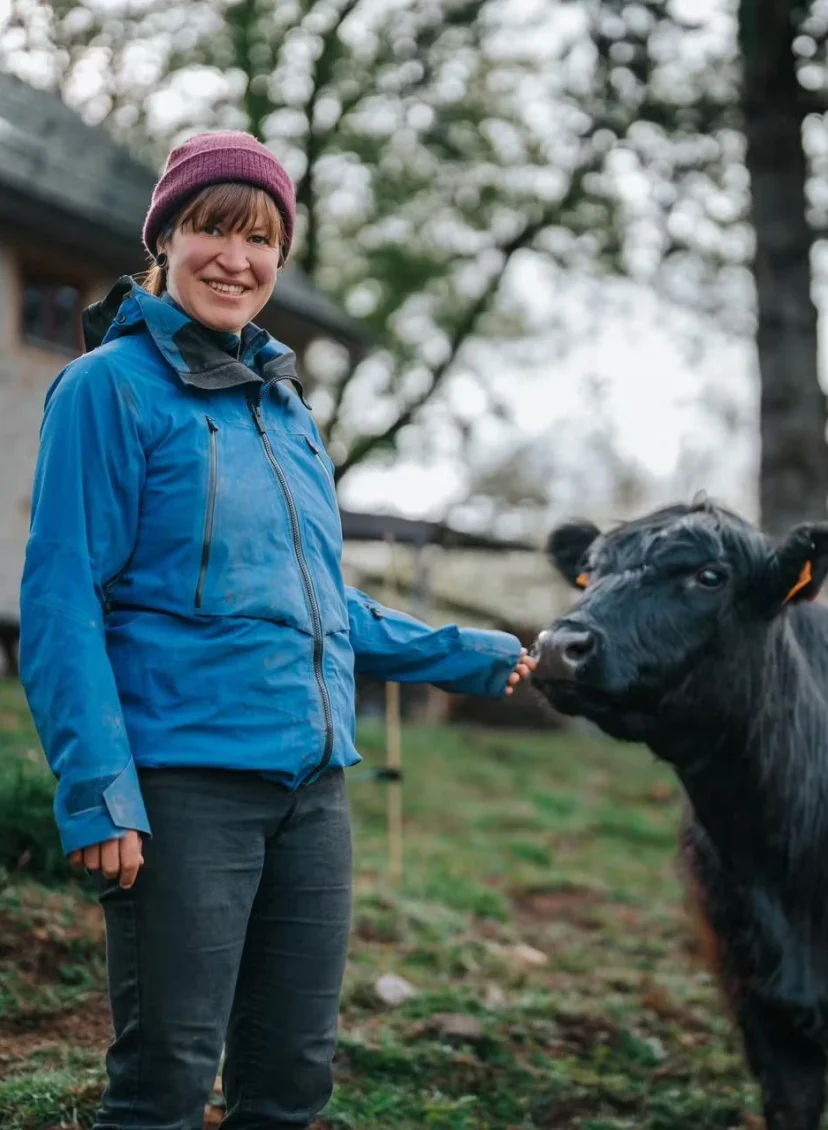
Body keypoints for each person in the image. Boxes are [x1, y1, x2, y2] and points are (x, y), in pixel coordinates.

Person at [18, 131, 536, 1130]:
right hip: (184, 790)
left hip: (314, 790)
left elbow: (320, 608)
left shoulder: (289, 413)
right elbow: (62, 599)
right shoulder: (107, 388)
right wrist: (98, 792)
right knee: (166, 1082)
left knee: (293, 1078)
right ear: (164, 238)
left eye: (260, 238)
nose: (235, 258)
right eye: (211, 228)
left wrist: (467, 654)